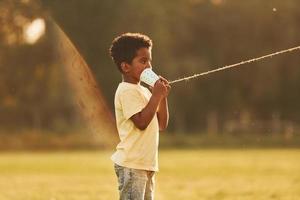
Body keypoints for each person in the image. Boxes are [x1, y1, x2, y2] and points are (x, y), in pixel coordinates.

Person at [109, 32, 171, 200]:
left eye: (150, 61)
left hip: (146, 164)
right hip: (131, 165)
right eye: (143, 61)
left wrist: (162, 97)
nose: (149, 66)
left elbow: (161, 124)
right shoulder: (126, 91)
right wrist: (156, 96)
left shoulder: (144, 91)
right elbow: (141, 122)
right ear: (126, 67)